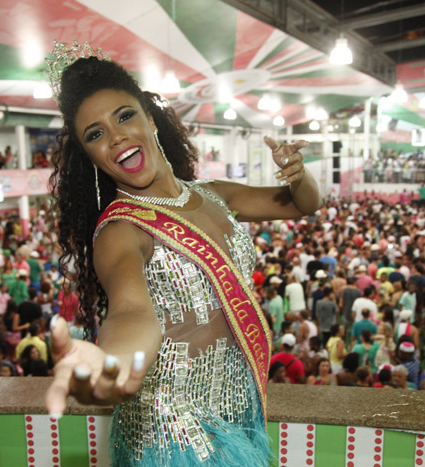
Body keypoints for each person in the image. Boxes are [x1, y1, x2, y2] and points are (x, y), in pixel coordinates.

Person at [44, 44, 321, 466]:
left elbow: (302, 204)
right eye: (95, 134)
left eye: (124, 115)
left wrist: (300, 174)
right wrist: (112, 361)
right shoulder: (120, 231)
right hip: (174, 437)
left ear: (150, 119)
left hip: (238, 413)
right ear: (91, 157)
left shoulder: (214, 194)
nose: (116, 135)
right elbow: (130, 310)